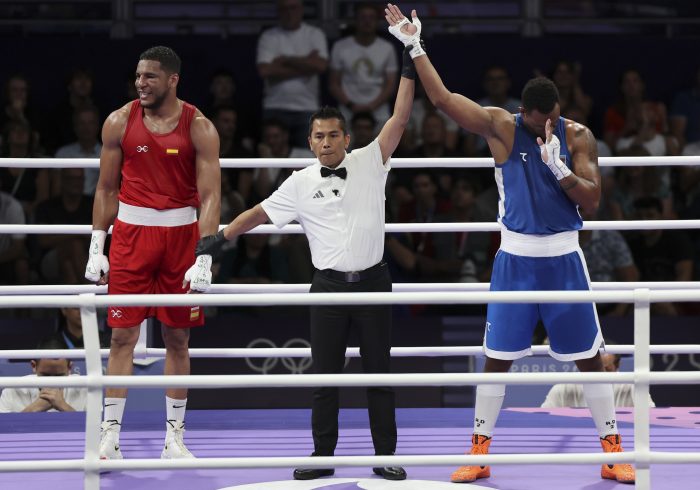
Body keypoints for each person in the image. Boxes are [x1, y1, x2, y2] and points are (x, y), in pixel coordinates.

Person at [384, 4, 635, 484]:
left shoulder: (578, 137)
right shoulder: (502, 126)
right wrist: (415, 45)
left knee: (588, 356)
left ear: (559, 112)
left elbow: (595, 200)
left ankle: (612, 451)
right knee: (496, 356)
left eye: (550, 121)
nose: (542, 128)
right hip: (515, 260)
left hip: (564, 258)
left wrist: (560, 169)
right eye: (535, 121)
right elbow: (442, 100)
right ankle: (478, 452)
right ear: (525, 112)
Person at [194, 39, 418, 481]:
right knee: (325, 378)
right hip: (329, 288)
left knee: (380, 374)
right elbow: (259, 212)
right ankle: (321, 456)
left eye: (335, 134)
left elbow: (400, 118)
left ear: (347, 138)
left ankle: (387, 455)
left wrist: (410, 61)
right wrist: (221, 236)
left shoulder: (372, 159)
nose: (328, 142)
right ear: (310, 141)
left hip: (374, 283)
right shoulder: (298, 182)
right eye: (320, 135)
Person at [83, 46, 221, 461]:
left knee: (178, 337)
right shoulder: (119, 122)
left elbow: (211, 195)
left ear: (173, 79)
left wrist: (205, 255)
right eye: (138, 76)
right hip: (131, 237)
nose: (141, 83)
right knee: (122, 336)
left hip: (181, 237)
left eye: (150, 77)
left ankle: (174, 439)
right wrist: (97, 246)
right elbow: (106, 188)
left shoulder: (199, 127)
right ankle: (110, 437)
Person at [256, 0, 329, 148]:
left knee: (308, 159)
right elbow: (265, 70)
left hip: (307, 108)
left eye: (293, 8)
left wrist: (285, 60)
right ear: (278, 11)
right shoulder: (269, 37)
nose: (289, 13)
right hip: (275, 106)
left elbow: (320, 66)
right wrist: (306, 64)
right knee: (270, 160)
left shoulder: (314, 34)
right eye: (284, 9)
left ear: (301, 9)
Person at [0, 337, 87, 413]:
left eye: (59, 376)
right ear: (34, 366)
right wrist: (34, 408)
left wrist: (63, 406)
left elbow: (99, 429)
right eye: (46, 375)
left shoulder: (85, 389)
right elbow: (3, 429)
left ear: (69, 368)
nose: (52, 383)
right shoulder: (12, 390)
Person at [541, 353, 655, 408]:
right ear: (583, 365)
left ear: (617, 366)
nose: (600, 375)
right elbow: (543, 419)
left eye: (606, 369)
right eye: (594, 369)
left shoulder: (631, 387)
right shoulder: (563, 388)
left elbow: (650, 415)